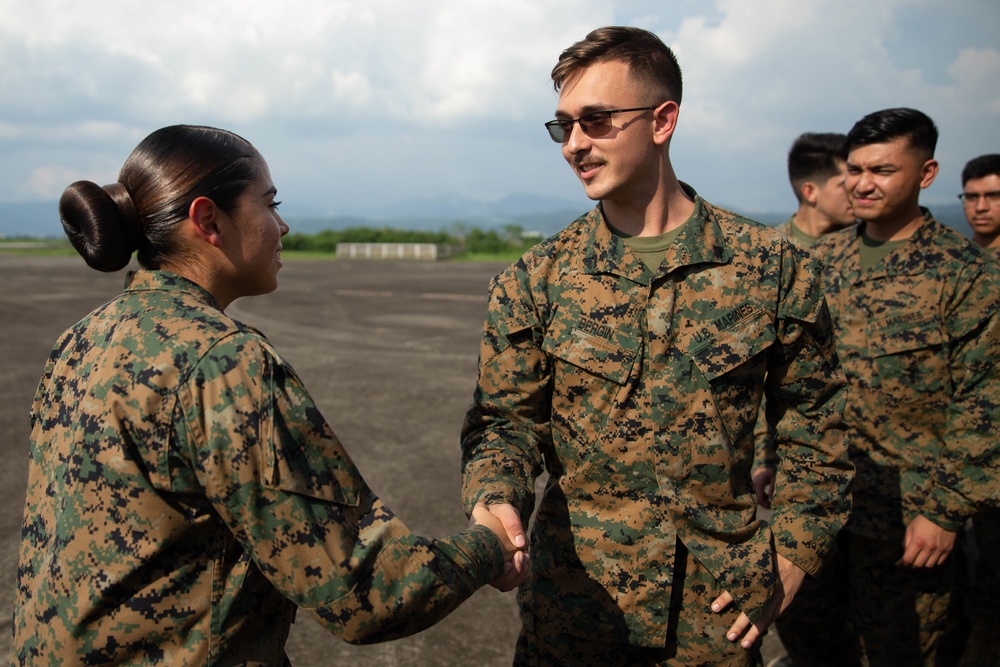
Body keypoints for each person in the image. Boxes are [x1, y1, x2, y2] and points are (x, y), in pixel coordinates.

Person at [10, 124, 526, 665]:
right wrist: (488, 544)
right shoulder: (222, 360)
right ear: (208, 220)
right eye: (269, 203)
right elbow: (365, 592)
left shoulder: (80, 338)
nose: (281, 226)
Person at [460, 26, 853, 666]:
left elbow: (817, 426)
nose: (575, 146)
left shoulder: (771, 268)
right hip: (576, 609)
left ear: (663, 120)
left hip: (717, 620)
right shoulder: (536, 279)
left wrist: (793, 556)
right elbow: (505, 424)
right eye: (564, 127)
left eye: (597, 121)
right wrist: (495, 496)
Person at [786, 108, 1000, 667]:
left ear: (926, 174)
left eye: (881, 170)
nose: (862, 183)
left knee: (896, 651)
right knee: (809, 638)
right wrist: (767, 458)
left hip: (909, 520)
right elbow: (791, 378)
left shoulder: (967, 275)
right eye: (854, 169)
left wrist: (946, 511)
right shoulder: (819, 262)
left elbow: (988, 399)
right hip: (819, 509)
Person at [752, 131, 855, 507]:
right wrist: (766, 456)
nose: (860, 189)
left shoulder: (865, 256)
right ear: (811, 191)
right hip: (791, 472)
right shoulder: (766, 261)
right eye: (848, 182)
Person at [942, 153, 1000, 667]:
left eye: (993, 196)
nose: (980, 207)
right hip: (962, 467)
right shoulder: (960, 267)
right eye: (972, 197)